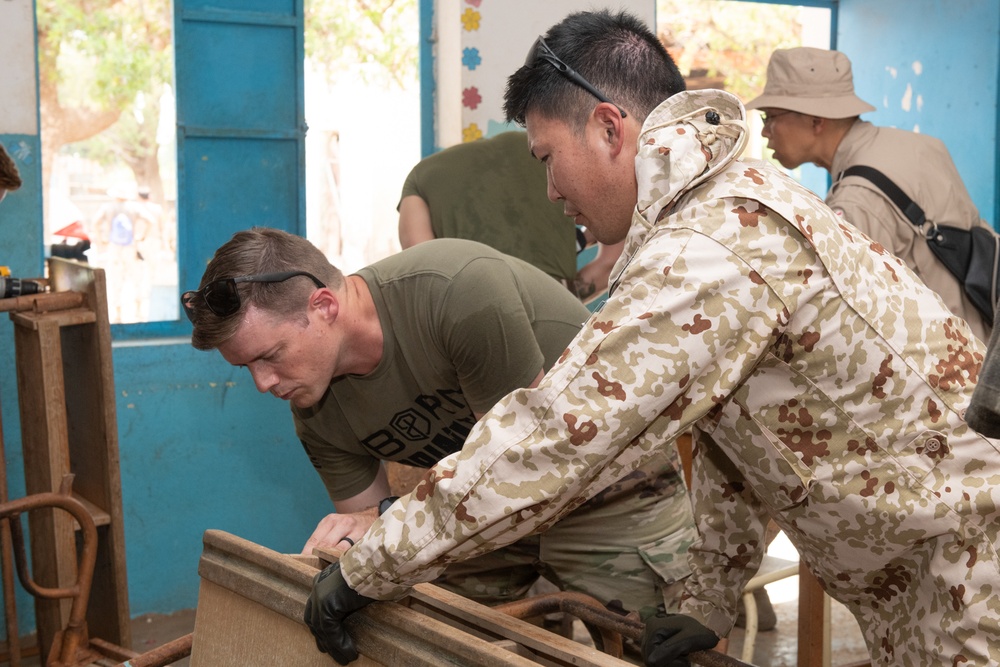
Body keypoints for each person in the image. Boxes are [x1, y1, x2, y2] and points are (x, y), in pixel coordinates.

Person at [301, 9, 1000, 667]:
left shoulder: (707, 242)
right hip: (932, 577)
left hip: (972, 575)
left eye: (546, 157)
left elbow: (556, 436)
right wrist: (710, 599)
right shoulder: (720, 208)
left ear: (609, 128)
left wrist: (371, 566)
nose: (549, 191)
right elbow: (746, 434)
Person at [183, 229, 696, 620]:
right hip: (480, 514)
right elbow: (372, 518)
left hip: (609, 489)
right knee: (439, 637)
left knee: (641, 645)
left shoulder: (457, 290)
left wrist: (384, 526)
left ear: (323, 306)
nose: (263, 383)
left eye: (270, 355)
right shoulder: (313, 406)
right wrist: (357, 534)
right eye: (246, 367)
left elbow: (520, 467)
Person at [746, 46, 993, 341]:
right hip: (986, 340)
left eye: (770, 117)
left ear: (816, 120)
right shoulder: (921, 145)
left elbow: (855, 322)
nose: (765, 132)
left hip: (946, 365)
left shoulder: (855, 203)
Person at [397, 131, 626, 301]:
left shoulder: (422, 176)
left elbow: (424, 275)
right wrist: (563, 295)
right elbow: (611, 259)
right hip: (553, 300)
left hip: (471, 309)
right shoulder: (549, 154)